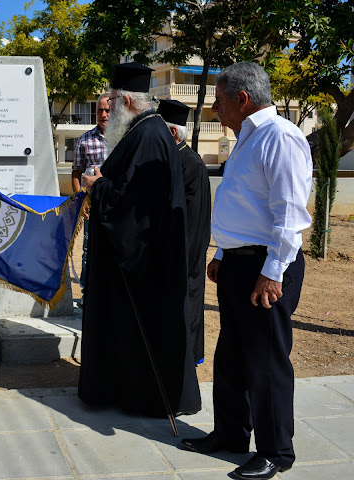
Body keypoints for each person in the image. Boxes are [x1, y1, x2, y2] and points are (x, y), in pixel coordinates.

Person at [180, 62, 312, 480]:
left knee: (265, 360)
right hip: (240, 262)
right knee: (233, 356)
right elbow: (246, 205)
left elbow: (289, 215)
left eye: (219, 100)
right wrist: (224, 252)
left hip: (267, 266)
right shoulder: (246, 138)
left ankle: (276, 452)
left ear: (242, 99)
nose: (214, 107)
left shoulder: (280, 137)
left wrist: (272, 272)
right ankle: (231, 434)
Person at [79, 62, 201, 417]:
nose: (110, 107)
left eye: (114, 100)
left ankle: (141, 396)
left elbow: (134, 210)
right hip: (145, 264)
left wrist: (97, 185)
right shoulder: (147, 132)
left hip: (142, 267)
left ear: (128, 102)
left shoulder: (147, 136)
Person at [157, 99, 211, 364]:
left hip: (183, 264)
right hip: (165, 260)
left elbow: (196, 226)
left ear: (173, 133)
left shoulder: (193, 166)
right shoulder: (167, 160)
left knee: (184, 319)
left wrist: (179, 263)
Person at [71, 93, 109, 299]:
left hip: (116, 204)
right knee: (89, 250)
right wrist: (81, 200)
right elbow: (76, 173)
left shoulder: (124, 138)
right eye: (99, 110)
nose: (103, 114)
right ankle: (88, 295)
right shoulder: (85, 140)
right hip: (92, 205)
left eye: (107, 110)